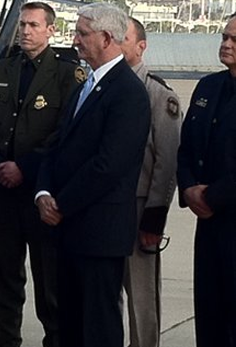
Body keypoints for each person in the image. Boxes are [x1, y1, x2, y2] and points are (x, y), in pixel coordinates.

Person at [34, 3, 150, 347]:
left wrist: (61, 204)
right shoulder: (85, 85)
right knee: (70, 323)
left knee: (97, 327)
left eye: (83, 34)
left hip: (99, 231)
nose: (75, 41)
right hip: (70, 229)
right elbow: (55, 147)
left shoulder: (128, 93)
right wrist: (42, 193)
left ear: (106, 37)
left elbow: (109, 165)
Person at [0, 2, 82, 347]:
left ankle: (54, 338)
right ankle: (7, 339)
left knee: (48, 277)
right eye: (22, 25)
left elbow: (63, 132)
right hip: (4, 190)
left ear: (51, 30)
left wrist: (25, 167)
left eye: (33, 25)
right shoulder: (2, 69)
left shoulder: (66, 74)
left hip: (40, 190)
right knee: (5, 274)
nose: (25, 31)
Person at [120, 17, 181, 347]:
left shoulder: (159, 95)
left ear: (141, 46)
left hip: (141, 205)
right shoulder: (99, 87)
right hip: (107, 207)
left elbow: (167, 160)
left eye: (124, 37)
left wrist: (155, 216)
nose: (116, 40)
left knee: (141, 295)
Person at [177, 13, 236, 347]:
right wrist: (188, 189)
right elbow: (186, 148)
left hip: (227, 213)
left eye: (234, 40)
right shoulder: (208, 87)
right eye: (224, 37)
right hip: (208, 223)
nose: (226, 44)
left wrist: (211, 196)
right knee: (210, 313)